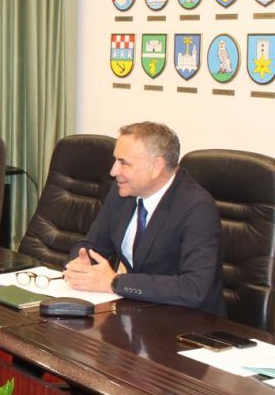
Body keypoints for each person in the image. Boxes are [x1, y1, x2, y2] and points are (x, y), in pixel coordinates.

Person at [64, 121, 224, 315]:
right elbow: (91, 245)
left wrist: (116, 282)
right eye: (115, 160)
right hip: (139, 312)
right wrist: (81, 265)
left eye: (124, 163)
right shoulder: (121, 193)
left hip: (189, 321)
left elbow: (194, 288)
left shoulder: (197, 207)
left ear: (156, 166)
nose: (113, 171)